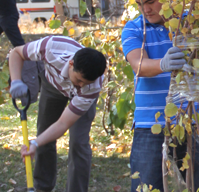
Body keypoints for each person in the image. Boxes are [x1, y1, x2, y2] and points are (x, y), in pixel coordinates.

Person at [9, 35, 106, 192]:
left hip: (81, 98)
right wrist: (16, 81)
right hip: (53, 85)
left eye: (85, 83)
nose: (80, 85)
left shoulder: (92, 86)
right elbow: (16, 53)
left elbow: (63, 123)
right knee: (44, 134)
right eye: (79, 79)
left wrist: (34, 143)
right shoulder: (51, 47)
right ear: (71, 63)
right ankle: (42, 187)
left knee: (78, 143)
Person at [121, 0, 199, 191]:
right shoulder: (134, 28)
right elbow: (138, 65)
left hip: (192, 119)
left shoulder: (190, 23)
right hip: (150, 124)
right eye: (140, 4)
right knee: (146, 186)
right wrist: (162, 64)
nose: (145, 9)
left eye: (150, 2)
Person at [0, 0, 40, 105]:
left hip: (7, 14)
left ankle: (28, 93)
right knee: (22, 51)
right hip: (7, 16)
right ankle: (29, 93)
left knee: (23, 51)